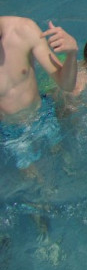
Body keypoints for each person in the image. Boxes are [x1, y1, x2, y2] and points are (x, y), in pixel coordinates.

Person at [0, 17, 78, 167]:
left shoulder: (25, 30)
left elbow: (67, 85)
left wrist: (72, 54)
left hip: (42, 113)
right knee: (29, 171)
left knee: (62, 155)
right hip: (9, 128)